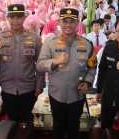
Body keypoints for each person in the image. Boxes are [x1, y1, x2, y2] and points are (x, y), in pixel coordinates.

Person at [37, 8, 96, 139]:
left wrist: (87, 82)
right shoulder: (50, 43)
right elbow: (40, 65)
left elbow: (92, 68)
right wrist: (55, 61)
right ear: (59, 22)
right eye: (65, 21)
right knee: (57, 128)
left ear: (78, 23)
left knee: (74, 128)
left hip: (77, 96)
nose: (68, 25)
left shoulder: (87, 45)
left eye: (72, 21)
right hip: (56, 95)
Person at [0, 4, 44, 126]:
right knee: (11, 123)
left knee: (28, 123)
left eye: (18, 17)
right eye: (12, 17)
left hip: (28, 89)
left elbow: (40, 64)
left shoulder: (34, 38)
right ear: (8, 18)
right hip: (8, 88)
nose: (15, 21)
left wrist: (39, 86)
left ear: (24, 18)